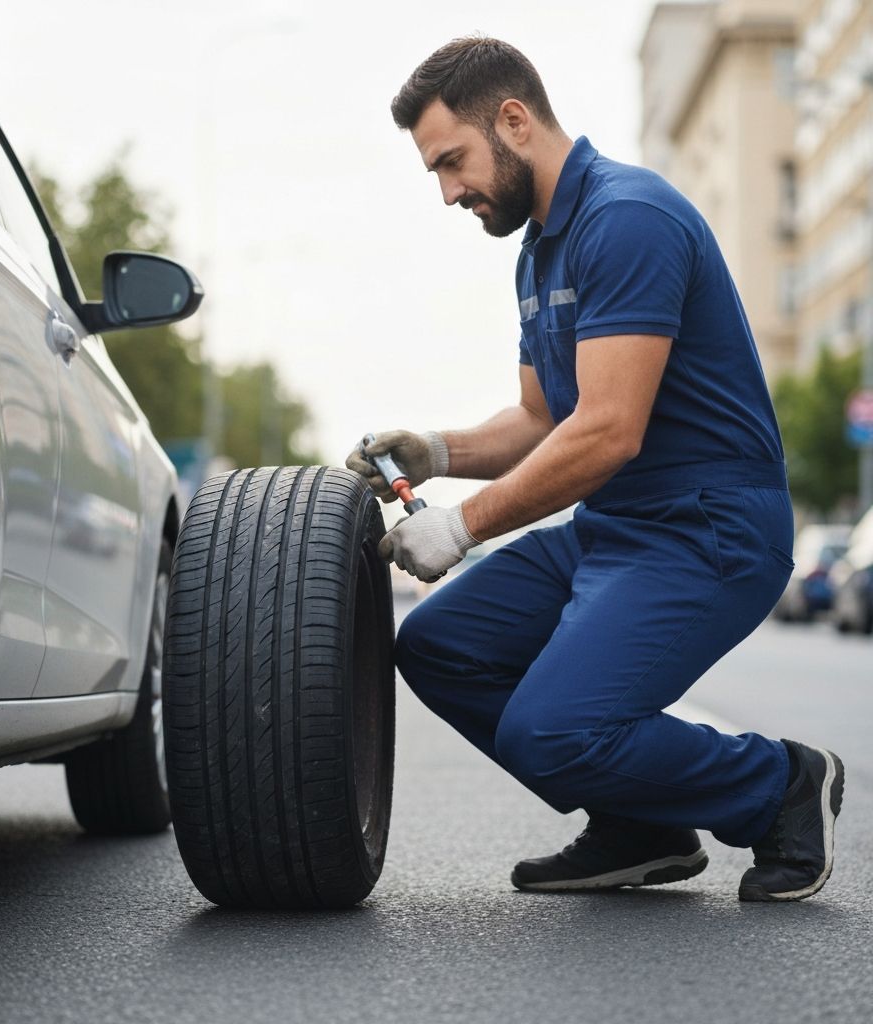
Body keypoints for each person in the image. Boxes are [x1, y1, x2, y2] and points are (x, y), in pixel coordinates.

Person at [347, 36, 844, 902]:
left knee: (551, 731)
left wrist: (460, 525)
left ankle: (782, 786)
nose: (449, 191)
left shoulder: (628, 218)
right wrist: (437, 450)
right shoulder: (537, 252)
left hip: (709, 529)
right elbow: (544, 421)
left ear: (513, 120)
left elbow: (608, 431)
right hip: (616, 530)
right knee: (437, 645)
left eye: (453, 162)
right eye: (436, 172)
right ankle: (641, 824)